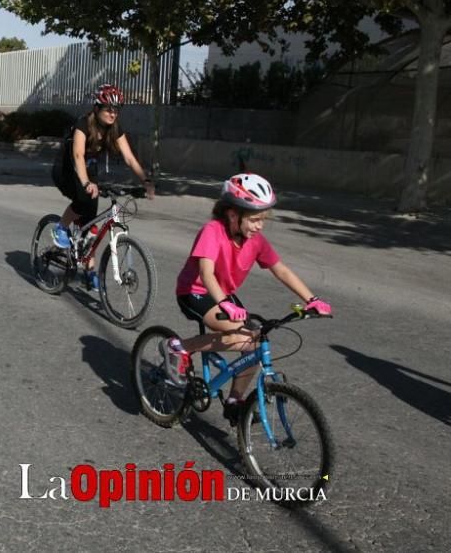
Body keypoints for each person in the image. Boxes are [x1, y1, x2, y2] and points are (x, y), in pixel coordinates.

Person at [164, 173, 333, 426]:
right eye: (254, 219)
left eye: (263, 219)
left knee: (254, 340)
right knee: (239, 336)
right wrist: (224, 303)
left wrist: (312, 298)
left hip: (222, 295)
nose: (259, 225)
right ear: (233, 214)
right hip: (195, 290)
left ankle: (235, 401)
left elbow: (281, 270)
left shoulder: (255, 241)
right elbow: (206, 273)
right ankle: (179, 347)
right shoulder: (213, 231)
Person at [50, 83, 154, 290]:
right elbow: (78, 155)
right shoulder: (83, 124)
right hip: (67, 170)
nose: (113, 113)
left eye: (116, 110)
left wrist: (145, 181)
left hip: (89, 171)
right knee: (82, 201)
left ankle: (89, 271)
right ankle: (60, 228)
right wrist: (86, 183)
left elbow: (129, 157)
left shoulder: (114, 129)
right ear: (97, 108)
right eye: (108, 109)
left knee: (91, 227)